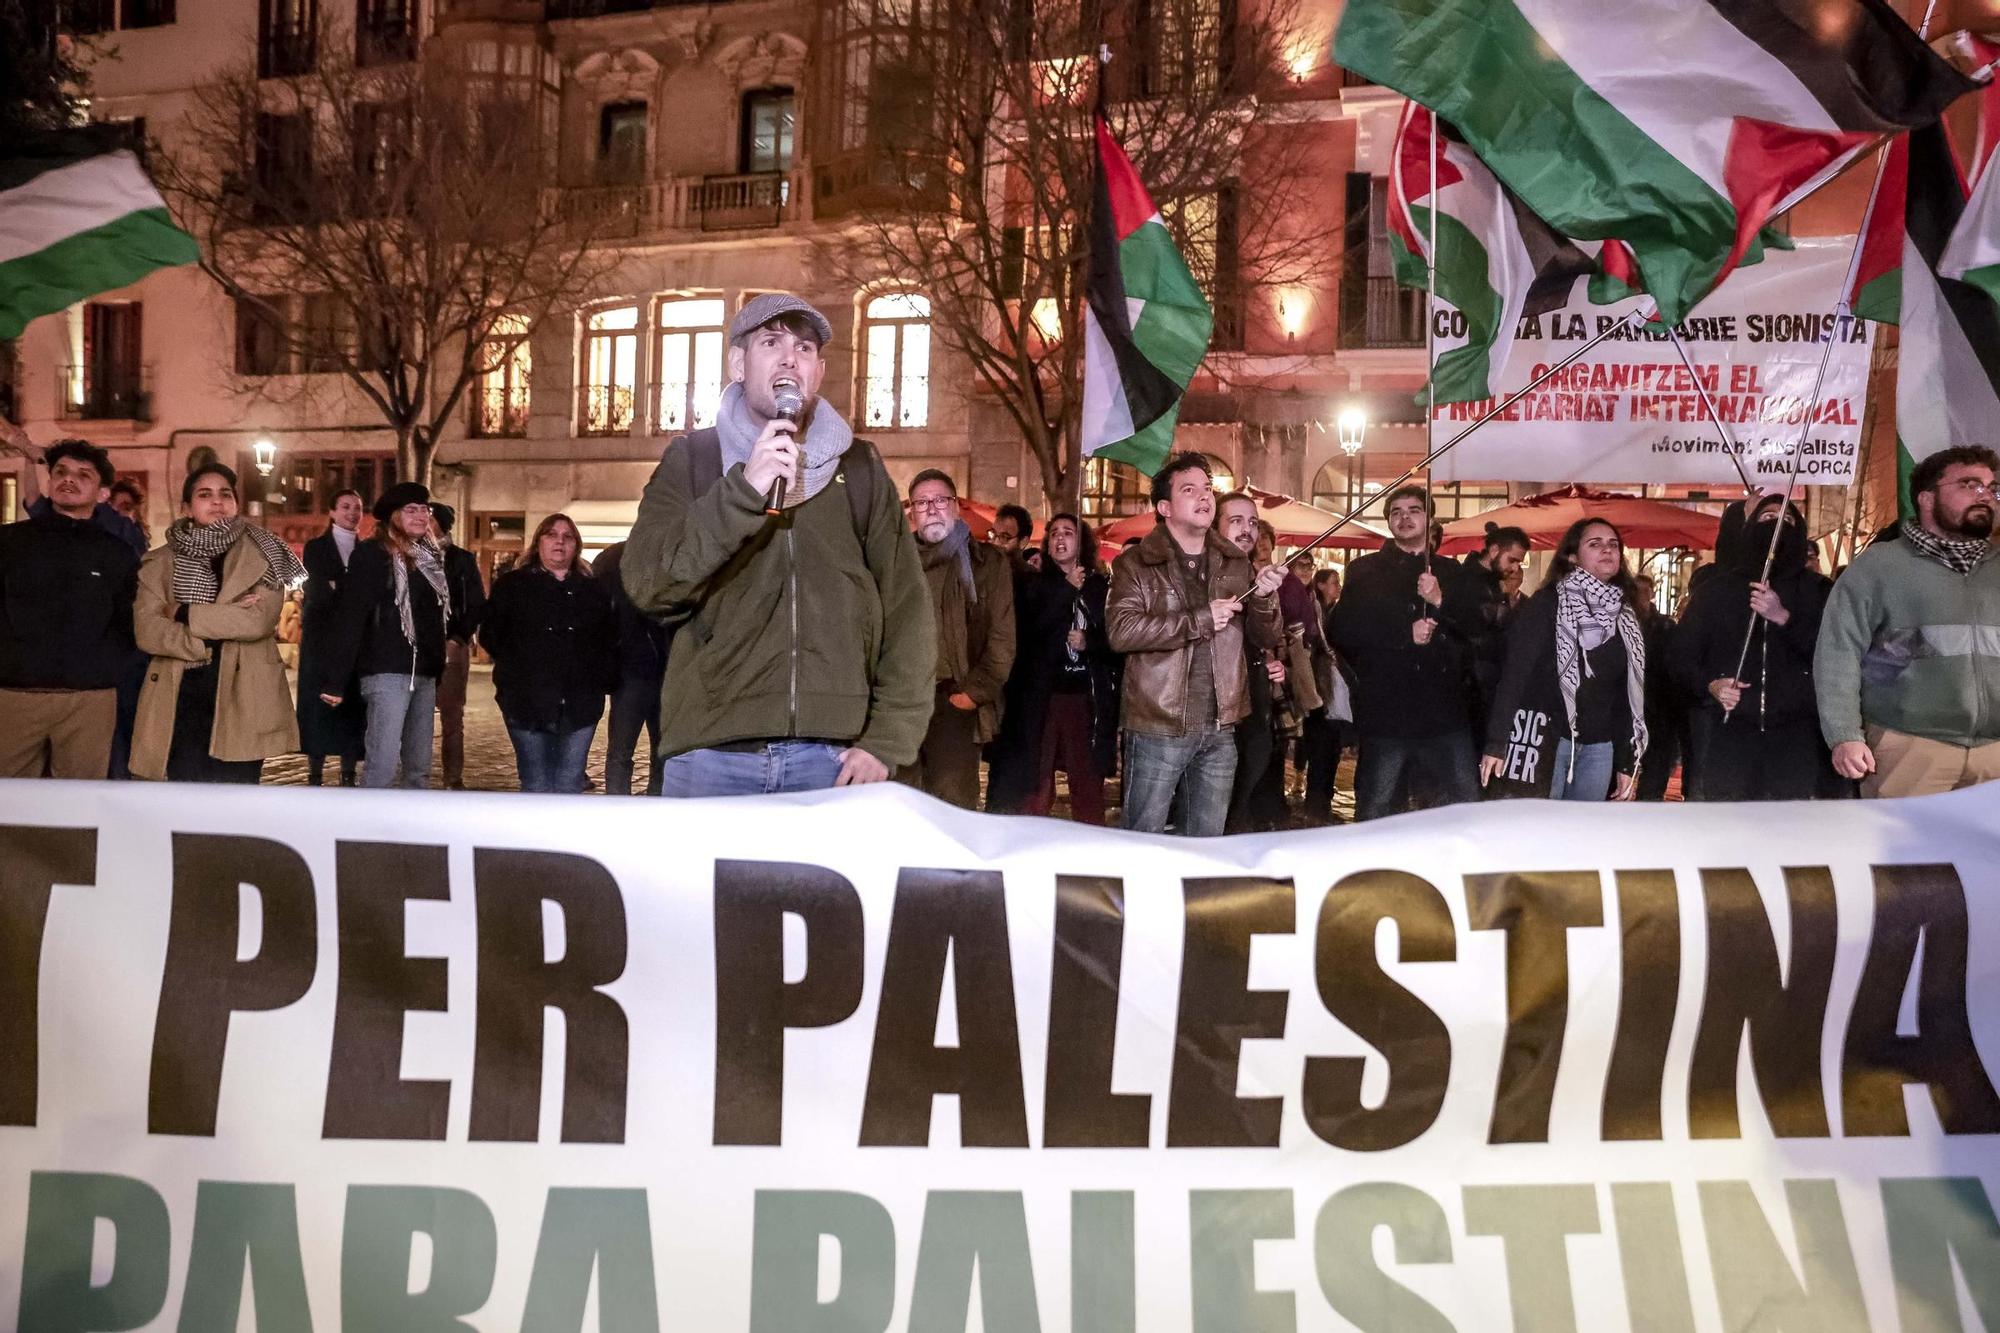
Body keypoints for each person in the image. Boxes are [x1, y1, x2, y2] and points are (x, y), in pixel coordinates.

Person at [623, 293, 934, 795]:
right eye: (772, 342)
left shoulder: (860, 469)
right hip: (712, 759)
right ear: (739, 364)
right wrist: (744, 490)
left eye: (805, 348)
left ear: (819, 371)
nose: (791, 357)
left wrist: (888, 740)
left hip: (832, 761)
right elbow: (651, 585)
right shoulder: (693, 460)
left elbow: (907, 611)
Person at [1107, 453, 1284, 836]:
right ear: (1165, 507)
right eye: (1190, 490)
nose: (1204, 497)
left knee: (1205, 843)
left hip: (1220, 726)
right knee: (1144, 839)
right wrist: (1200, 619)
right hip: (1158, 724)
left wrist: (1265, 597)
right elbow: (1121, 631)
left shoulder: (1235, 562)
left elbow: (1265, 637)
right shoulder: (1136, 563)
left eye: (1208, 489)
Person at [1817, 445, 2000, 797]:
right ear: (1926, 498)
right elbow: (1838, 653)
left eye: (1992, 488)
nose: (1985, 496)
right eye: (1969, 485)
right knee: (1911, 854)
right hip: (1909, 747)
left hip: (1995, 753)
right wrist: (1844, 735)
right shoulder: (1879, 568)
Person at [131, 463, 304, 783]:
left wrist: (182, 612)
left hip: (243, 694)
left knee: (237, 796)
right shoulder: (160, 561)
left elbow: (257, 622)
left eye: (225, 494)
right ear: (186, 507)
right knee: (185, 795)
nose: (217, 501)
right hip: (180, 693)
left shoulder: (266, 552)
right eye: (205, 494)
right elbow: (147, 629)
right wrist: (202, 641)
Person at [1330, 484, 1483, 820]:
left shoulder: (1452, 572)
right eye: (1396, 512)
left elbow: (1476, 629)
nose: (1405, 518)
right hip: (1388, 713)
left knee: (1461, 804)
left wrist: (1441, 600)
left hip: (1445, 712)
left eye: (1414, 510)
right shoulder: (1364, 571)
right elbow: (1342, 631)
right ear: (1388, 522)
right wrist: (1403, 635)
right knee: (1378, 805)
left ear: (1429, 519)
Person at [1671, 493, 1832, 801]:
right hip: (1731, 734)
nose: (1777, 525)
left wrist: (1783, 618)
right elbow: (1681, 658)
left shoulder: (1819, 592)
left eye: (1786, 520)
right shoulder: (1716, 591)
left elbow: (1834, 656)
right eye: (1767, 518)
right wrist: (1711, 685)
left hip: (1797, 737)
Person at [0, 440, 140, 779]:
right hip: (15, 695)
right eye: (60, 472)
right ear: (49, 482)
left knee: (80, 807)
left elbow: (127, 622)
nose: (68, 479)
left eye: (83, 475)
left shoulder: (117, 554)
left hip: (89, 700)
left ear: (103, 493)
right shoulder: (10, 543)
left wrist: (104, 669)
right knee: (10, 806)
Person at [1480, 518, 1647, 801]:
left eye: (1613, 544)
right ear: (1572, 557)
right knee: (1540, 831)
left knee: (1582, 835)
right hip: (1548, 739)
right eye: (1595, 544)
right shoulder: (1547, 604)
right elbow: (1515, 674)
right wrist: (1496, 743)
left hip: (1598, 745)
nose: (1607, 550)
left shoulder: (1625, 615)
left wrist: (1627, 762)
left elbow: (1624, 693)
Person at [987, 513, 1119, 822]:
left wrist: (1091, 641)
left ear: (1081, 541)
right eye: (1054, 533)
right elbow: (1030, 631)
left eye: (1068, 533)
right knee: (1037, 783)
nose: (1060, 538)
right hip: (1042, 698)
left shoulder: (1099, 586)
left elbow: (1116, 638)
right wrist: (1065, 589)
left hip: (1085, 699)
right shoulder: (1032, 583)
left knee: (1087, 783)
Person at [319, 482, 451, 790]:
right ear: (394, 516)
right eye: (411, 510)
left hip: (424, 673)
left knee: (419, 768)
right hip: (386, 670)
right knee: (383, 764)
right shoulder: (371, 555)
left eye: (424, 509)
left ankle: (412, 832)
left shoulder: (431, 559)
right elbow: (352, 615)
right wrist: (335, 679)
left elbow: (435, 620)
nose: (420, 516)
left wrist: (437, 667)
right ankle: (371, 833)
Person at [479, 513, 618, 794]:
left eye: (567, 537)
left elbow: (609, 639)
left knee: (569, 783)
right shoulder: (513, 586)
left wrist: (599, 678)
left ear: (576, 546)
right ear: (538, 542)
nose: (559, 542)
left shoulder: (593, 590)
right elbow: (492, 635)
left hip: (580, 703)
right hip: (526, 701)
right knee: (535, 782)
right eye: (552, 535)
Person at [901, 470, 1015, 807]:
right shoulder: (895, 560)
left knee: (951, 803)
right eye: (922, 502)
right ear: (912, 513)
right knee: (899, 801)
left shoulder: (987, 563)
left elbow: (1002, 638)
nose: (932, 508)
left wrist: (973, 693)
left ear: (956, 506)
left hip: (954, 698)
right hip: (901, 700)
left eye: (940, 500)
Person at [1224, 499, 1293, 832]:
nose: (1247, 530)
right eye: (1236, 521)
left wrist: (1277, 662)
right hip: (1215, 703)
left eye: (1252, 523)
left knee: (1253, 767)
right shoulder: (1203, 570)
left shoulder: (1257, 576)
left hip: (1254, 694)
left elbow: (1267, 635)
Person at [297, 489, 367, 787]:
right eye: (346, 506)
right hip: (320, 640)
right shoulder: (316, 547)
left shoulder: (367, 551)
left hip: (356, 642)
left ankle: (348, 772)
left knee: (351, 705)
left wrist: (342, 587)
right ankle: (314, 770)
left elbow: (364, 594)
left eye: (358, 507)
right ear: (333, 512)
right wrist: (344, 591)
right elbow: (319, 590)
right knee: (318, 705)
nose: (352, 512)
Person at [592, 540, 669, 795]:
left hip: (663, 672)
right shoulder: (613, 558)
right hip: (630, 671)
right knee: (624, 751)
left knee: (661, 750)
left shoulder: (668, 551)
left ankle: (652, 804)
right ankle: (619, 808)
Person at [430, 503, 488, 790]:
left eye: (429, 517)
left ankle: (453, 777)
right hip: (416, 648)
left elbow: (476, 602)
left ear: (442, 524)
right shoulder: (406, 554)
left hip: (451, 645)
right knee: (413, 715)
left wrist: (459, 638)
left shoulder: (461, 559)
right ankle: (412, 774)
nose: (423, 522)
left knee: (452, 716)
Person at [1462, 523, 1530, 736]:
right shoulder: (1467, 582)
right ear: (1493, 551)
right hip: (1470, 691)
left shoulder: (1492, 583)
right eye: (1512, 560)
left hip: (1486, 688)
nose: (1515, 568)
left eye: (1518, 562)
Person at [1299, 566, 1353, 823]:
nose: (1338, 586)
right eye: (1333, 582)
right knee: (1322, 747)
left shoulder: (1334, 612)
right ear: (1320, 585)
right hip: (1319, 688)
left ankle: (1321, 801)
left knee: (1330, 747)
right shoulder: (1316, 613)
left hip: (1331, 687)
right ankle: (1316, 805)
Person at [1631, 573, 1683, 801]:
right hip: (1628, 707)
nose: (1641, 596)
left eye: (1645, 591)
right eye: (1637, 591)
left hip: (1657, 709)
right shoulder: (1617, 623)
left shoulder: (1664, 627)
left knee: (1654, 772)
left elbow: (1672, 668)